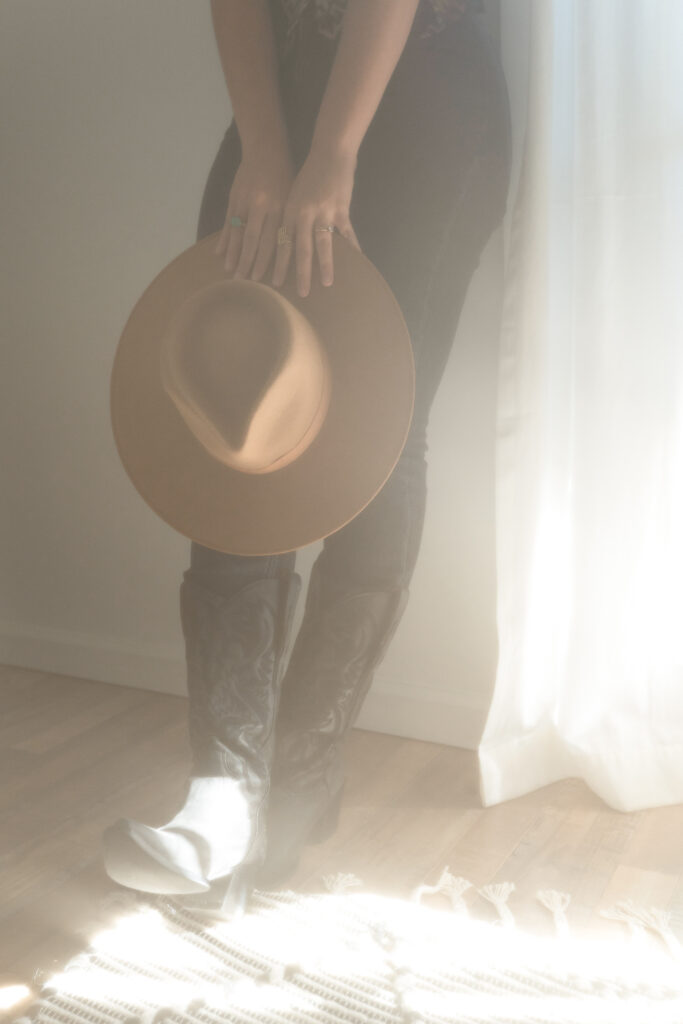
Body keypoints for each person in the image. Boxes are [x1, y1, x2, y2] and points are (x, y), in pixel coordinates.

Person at [103, 0, 512, 914]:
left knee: (378, 433)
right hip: (284, 93)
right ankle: (224, 799)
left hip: (425, 87)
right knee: (236, 424)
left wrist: (332, 156)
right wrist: (266, 144)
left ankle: (300, 780)